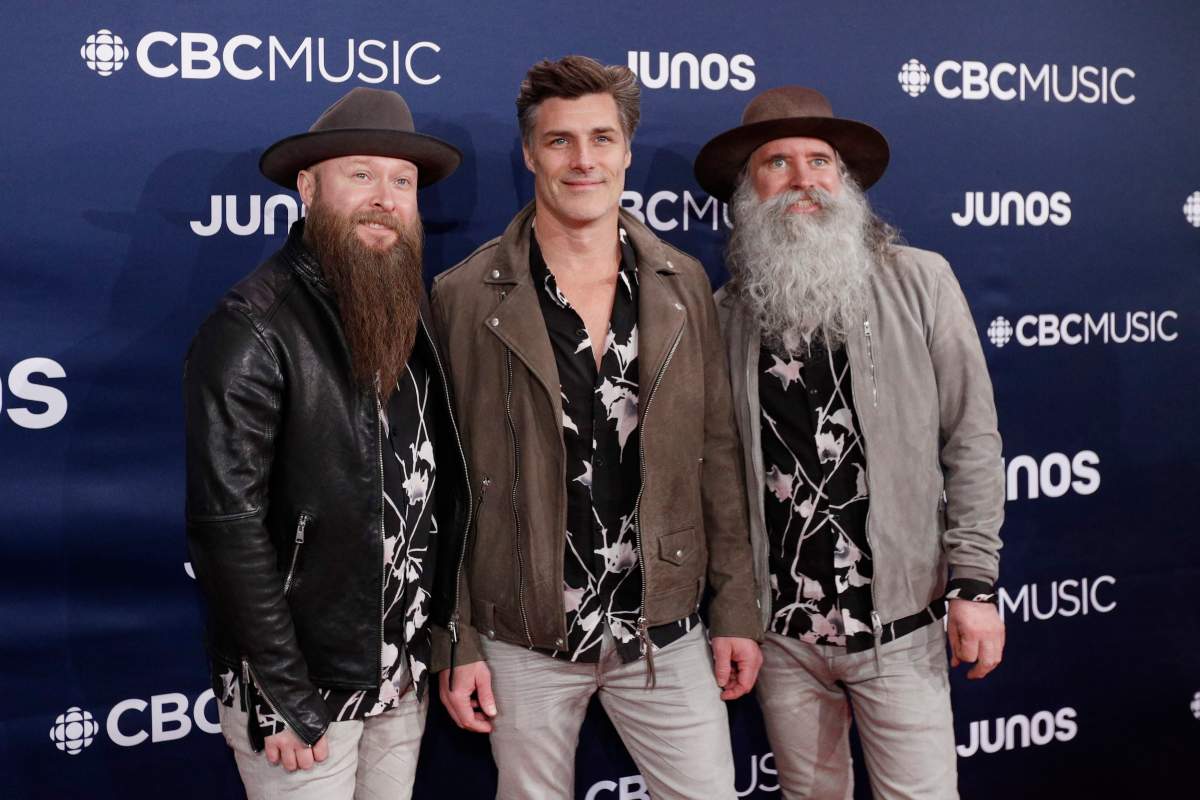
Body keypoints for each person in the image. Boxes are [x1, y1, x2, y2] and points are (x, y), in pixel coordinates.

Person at [431, 56, 763, 799]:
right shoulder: (462, 297)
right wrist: (455, 638)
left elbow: (717, 457)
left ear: (626, 151)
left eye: (602, 139)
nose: (584, 161)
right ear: (528, 153)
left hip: (664, 630)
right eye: (560, 142)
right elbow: (441, 485)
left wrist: (736, 608)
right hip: (522, 635)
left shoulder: (683, 287)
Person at [696, 86, 1006, 799]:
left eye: (820, 161)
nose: (804, 180)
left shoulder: (921, 281)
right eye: (778, 162)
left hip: (901, 629)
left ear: (845, 180)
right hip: (784, 642)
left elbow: (972, 438)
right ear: (748, 191)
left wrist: (975, 585)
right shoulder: (722, 317)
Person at [183, 86, 469, 799]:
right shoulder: (253, 327)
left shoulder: (409, 310)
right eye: (361, 174)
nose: (385, 196)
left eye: (401, 181)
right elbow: (227, 529)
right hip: (303, 694)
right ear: (308, 188)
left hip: (398, 680)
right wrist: (282, 692)